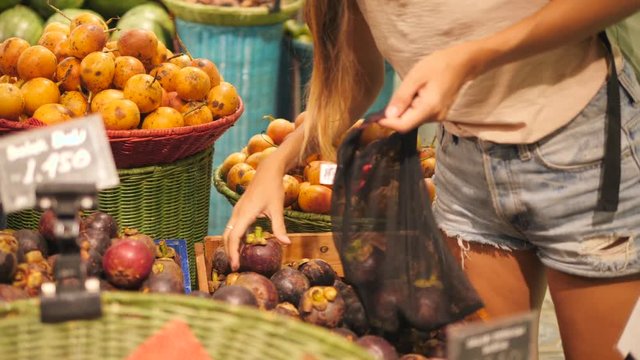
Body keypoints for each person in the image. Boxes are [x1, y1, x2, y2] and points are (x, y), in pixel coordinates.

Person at [223, 1, 640, 358]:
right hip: (463, 165)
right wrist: (279, 162)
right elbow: (356, 78)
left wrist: (474, 57)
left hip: (583, 151)